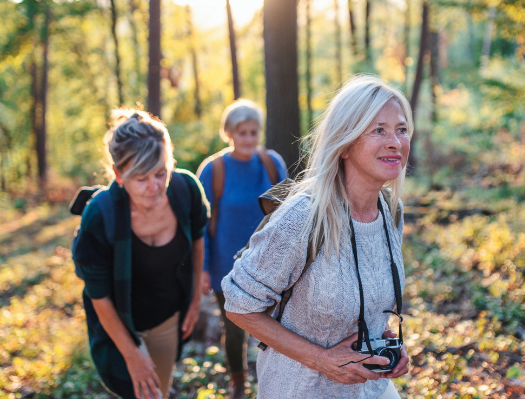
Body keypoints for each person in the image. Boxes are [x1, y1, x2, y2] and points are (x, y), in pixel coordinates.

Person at [221, 75, 412, 399]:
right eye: (378, 130)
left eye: (402, 129)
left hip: (372, 389)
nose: (395, 141)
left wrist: (387, 340)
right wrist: (323, 360)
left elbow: (365, 298)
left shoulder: (391, 211)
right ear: (346, 143)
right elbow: (239, 305)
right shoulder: (303, 217)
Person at [72, 110, 209, 399]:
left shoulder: (186, 190)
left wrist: (195, 299)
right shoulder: (100, 215)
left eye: (161, 173)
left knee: (157, 389)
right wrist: (132, 355)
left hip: (167, 318)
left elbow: (197, 241)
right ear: (119, 175)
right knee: (131, 389)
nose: (155, 187)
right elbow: (99, 296)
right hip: (118, 323)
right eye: (141, 178)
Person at [196, 99, 288, 399]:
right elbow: (201, 224)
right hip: (228, 266)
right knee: (235, 329)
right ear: (230, 133)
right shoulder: (213, 170)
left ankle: (273, 382)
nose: (248, 139)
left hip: (270, 263)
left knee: (276, 328)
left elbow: (290, 213)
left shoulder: (272, 163)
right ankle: (238, 383)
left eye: (253, 132)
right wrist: (204, 269)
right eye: (242, 133)